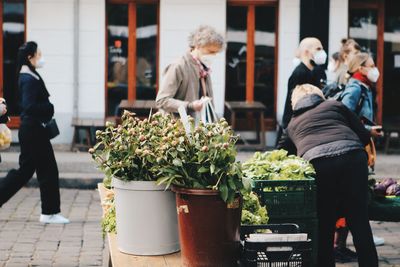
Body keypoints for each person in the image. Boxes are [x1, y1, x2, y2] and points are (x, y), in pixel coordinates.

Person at [279, 84, 378, 267]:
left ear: (295, 103)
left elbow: (279, 154)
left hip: (318, 164)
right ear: (319, 95)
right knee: (359, 222)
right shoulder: (335, 105)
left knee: (325, 225)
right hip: (353, 159)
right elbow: (363, 136)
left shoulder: (292, 125)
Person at [0, 41, 69, 224]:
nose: (40, 57)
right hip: (33, 130)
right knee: (47, 170)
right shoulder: (28, 78)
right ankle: (50, 212)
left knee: (27, 171)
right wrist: (48, 107)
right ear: (30, 57)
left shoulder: (28, 75)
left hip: (32, 130)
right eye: (38, 54)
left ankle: (50, 211)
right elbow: (28, 106)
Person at [156, 25, 224, 117]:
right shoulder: (179, 66)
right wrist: (190, 106)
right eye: (210, 51)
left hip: (196, 127)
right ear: (198, 45)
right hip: (177, 128)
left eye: (216, 53)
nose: (213, 56)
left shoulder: (203, 67)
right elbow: (161, 101)